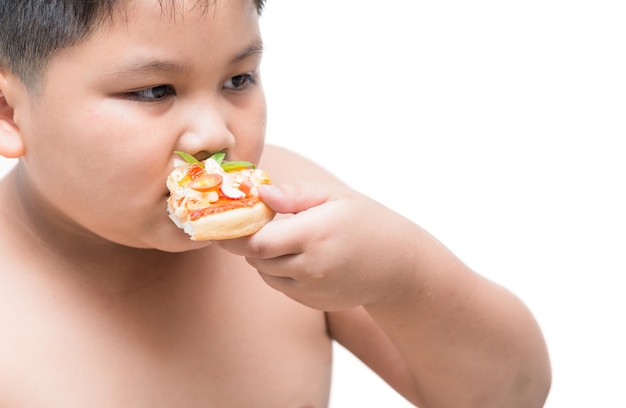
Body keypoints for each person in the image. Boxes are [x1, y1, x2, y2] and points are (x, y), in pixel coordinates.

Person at [0, 0, 551, 406]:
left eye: (238, 79)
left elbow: (511, 394)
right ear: (8, 111)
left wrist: (402, 276)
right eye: (154, 91)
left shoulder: (291, 204)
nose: (214, 135)